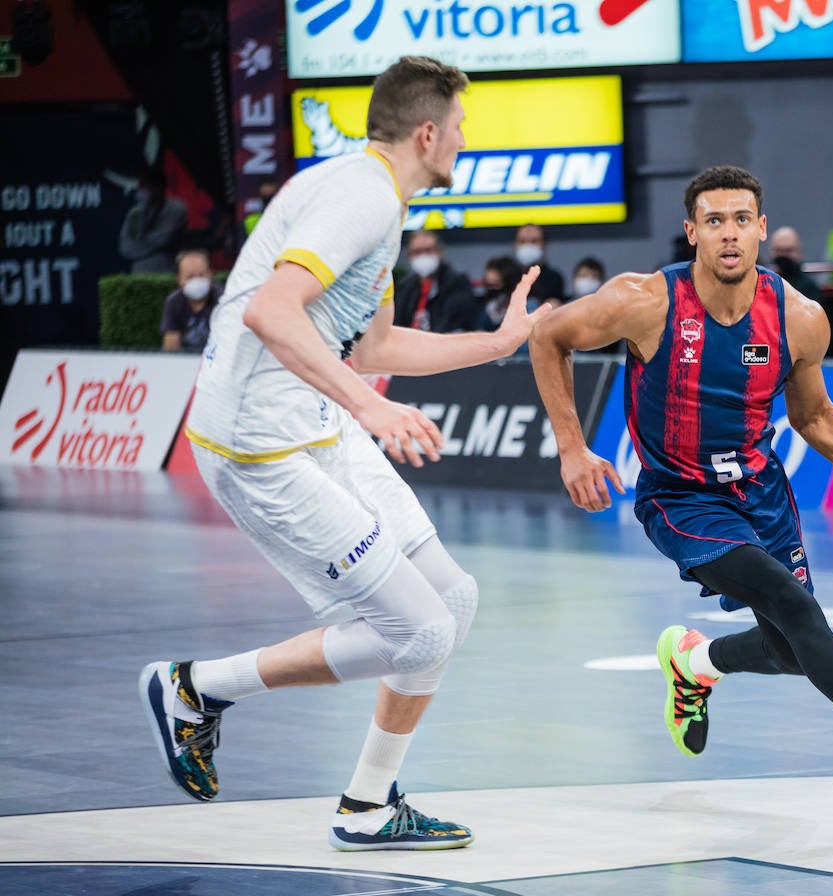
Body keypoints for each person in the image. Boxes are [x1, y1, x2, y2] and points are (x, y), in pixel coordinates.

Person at [138, 56, 549, 852]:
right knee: (420, 631)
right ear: (428, 132)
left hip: (315, 417)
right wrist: (371, 406)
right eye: (460, 127)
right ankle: (205, 697)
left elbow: (373, 345)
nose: (464, 141)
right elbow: (270, 311)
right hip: (258, 443)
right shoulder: (359, 196)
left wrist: (495, 343)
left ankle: (355, 797)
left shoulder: (382, 202)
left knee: (449, 605)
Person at [527, 165, 833, 817]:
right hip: (680, 499)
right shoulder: (646, 301)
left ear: (762, 228)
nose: (730, 234)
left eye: (742, 219)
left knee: (791, 647)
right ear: (692, 232)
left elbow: (817, 418)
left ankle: (696, 663)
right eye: (714, 221)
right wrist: (573, 448)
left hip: (761, 493)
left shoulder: (799, 318)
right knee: (796, 611)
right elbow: (548, 336)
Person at [393, 230, 481, 332]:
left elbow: (451, 323)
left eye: (428, 250)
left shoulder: (456, 282)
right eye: (417, 252)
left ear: (440, 252)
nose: (423, 255)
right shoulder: (405, 285)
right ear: (409, 256)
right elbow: (397, 324)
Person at [118, 167, 188, 273]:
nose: (141, 191)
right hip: (139, 271)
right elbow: (125, 247)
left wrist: (140, 244)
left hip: (167, 269)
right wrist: (151, 247)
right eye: (140, 187)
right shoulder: (134, 213)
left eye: (145, 187)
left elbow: (163, 239)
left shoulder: (177, 209)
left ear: (159, 188)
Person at [160, 249, 222, 353]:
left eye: (201, 275)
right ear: (180, 279)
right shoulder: (174, 302)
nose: (196, 281)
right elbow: (170, 348)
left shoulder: (222, 300)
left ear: (210, 274)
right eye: (190, 277)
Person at [513, 222, 565, 304]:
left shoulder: (554, 279)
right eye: (522, 241)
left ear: (544, 244)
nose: (528, 246)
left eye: (534, 241)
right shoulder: (508, 278)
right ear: (516, 244)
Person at [767, 225, 824, 301]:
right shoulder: (762, 285)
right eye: (779, 250)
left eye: (789, 250)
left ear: (799, 251)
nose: (783, 255)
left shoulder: (809, 288)